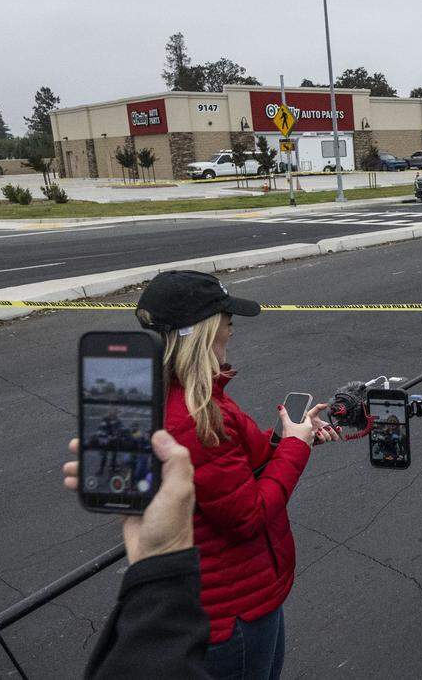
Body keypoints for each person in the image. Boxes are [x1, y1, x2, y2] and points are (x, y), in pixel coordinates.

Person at [135, 270, 342, 679]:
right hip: (233, 615)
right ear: (206, 331)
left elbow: (231, 463)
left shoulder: (193, 398)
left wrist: (288, 439)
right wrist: (296, 448)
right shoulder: (195, 417)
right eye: (227, 319)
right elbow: (248, 514)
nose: (232, 329)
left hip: (240, 596)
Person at [63, 430, 210, 679]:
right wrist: (293, 446)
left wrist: (157, 563)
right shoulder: (199, 424)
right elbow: (245, 516)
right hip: (231, 603)